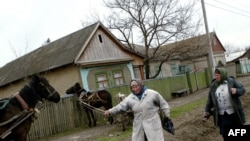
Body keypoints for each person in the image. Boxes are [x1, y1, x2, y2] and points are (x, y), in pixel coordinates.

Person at [104, 78, 170, 141]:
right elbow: (120, 106)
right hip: (139, 126)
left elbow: (164, 105)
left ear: (141, 85)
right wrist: (110, 111)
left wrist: (167, 116)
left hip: (152, 124)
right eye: (133, 87)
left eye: (136, 86)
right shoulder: (129, 98)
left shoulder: (152, 94)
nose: (135, 89)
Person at [204, 67, 246, 139]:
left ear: (223, 74)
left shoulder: (231, 81)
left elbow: (242, 90)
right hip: (222, 115)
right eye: (215, 75)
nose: (216, 77)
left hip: (234, 113)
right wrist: (207, 111)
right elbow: (210, 99)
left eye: (218, 75)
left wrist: (236, 91)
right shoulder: (213, 85)